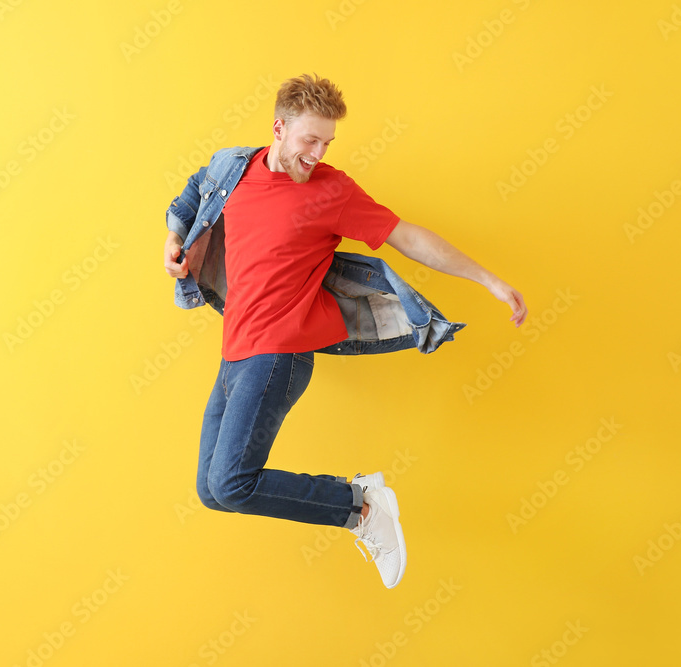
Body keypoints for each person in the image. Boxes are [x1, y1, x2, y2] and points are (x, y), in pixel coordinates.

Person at [164, 74, 527, 588]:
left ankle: (359, 507)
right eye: (310, 140)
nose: (317, 153)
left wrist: (487, 279)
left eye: (327, 142)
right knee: (211, 489)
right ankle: (359, 502)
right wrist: (174, 240)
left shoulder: (332, 191)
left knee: (232, 481)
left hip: (281, 354)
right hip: (235, 352)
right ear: (279, 128)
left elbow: (409, 238)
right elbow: (190, 196)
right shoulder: (233, 170)